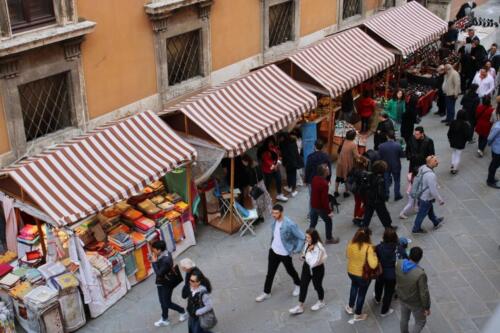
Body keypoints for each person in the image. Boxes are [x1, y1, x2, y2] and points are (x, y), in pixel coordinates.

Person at [256, 204, 304, 302]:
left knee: (290, 271)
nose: (274, 215)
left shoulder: (289, 224)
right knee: (270, 273)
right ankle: (266, 292)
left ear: (281, 213)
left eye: (276, 213)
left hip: (285, 253)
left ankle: (298, 284)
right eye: (273, 213)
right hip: (273, 251)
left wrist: (297, 250)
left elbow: (302, 237)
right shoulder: (274, 221)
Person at [289, 229, 327, 315]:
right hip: (306, 267)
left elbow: (315, 262)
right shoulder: (307, 243)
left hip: (317, 269)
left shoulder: (319, 247)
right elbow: (304, 253)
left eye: (308, 237)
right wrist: (303, 255)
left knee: (317, 286)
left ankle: (321, 301)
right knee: (303, 285)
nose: (306, 239)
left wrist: (308, 254)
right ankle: (300, 306)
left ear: (314, 237)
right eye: (306, 237)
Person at [345, 227, 379, 323]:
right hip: (363, 275)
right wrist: (375, 257)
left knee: (354, 287)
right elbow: (373, 264)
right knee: (361, 294)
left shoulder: (351, 244)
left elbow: (347, 255)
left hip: (351, 272)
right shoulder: (369, 248)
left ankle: (350, 307)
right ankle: (358, 314)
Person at [151, 240, 187, 327]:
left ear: (159, 250)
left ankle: (182, 311)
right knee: (162, 301)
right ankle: (164, 318)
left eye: (154, 250)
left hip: (167, 283)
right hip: (161, 283)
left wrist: (154, 262)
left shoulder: (166, 260)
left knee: (167, 302)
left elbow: (159, 273)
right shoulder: (163, 254)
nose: (153, 251)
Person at [396, 247, 431, 333]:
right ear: (420, 258)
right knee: (420, 322)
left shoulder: (399, 263)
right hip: (415, 303)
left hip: (402, 297)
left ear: (409, 254)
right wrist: (426, 307)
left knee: (404, 319)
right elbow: (424, 293)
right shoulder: (420, 274)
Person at [375, 228, 407, 316]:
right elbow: (405, 259)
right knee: (388, 293)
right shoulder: (399, 248)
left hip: (380, 272)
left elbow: (375, 258)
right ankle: (384, 311)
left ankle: (377, 299)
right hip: (392, 275)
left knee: (378, 285)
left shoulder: (379, 247)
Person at [412, 156, 445, 234]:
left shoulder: (423, 167)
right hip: (426, 197)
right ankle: (416, 229)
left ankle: (436, 221)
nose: (437, 162)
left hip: (422, 195)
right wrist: (440, 200)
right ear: (430, 163)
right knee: (421, 214)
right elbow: (433, 190)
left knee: (430, 210)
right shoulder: (430, 175)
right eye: (435, 161)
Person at [310, 164, 340, 244]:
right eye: (327, 170)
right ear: (324, 173)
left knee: (313, 223)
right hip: (320, 207)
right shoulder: (324, 184)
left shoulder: (314, 178)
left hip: (313, 205)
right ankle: (329, 238)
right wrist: (329, 211)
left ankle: (309, 237)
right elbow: (324, 200)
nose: (329, 170)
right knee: (328, 221)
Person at [362, 160, 395, 229]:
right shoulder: (381, 180)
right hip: (378, 201)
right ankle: (388, 228)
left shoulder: (369, 175)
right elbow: (381, 193)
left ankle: (363, 229)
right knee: (384, 214)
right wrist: (385, 198)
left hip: (369, 198)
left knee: (367, 215)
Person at [241, 154, 272, 223]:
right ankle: (262, 216)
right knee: (262, 201)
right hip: (261, 184)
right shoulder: (256, 164)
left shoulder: (249, 169)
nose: (243, 164)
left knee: (255, 203)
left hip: (255, 187)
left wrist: (249, 190)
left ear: (246, 161)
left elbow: (251, 181)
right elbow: (261, 175)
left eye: (243, 162)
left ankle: (257, 218)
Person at [378, 131, 404, 201]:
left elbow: (379, 156)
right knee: (397, 180)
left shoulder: (381, 146)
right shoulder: (398, 145)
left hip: (386, 166)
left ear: (387, 136)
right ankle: (397, 195)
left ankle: (386, 195)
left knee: (386, 180)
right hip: (396, 165)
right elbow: (402, 155)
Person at [260, 137, 288, 202]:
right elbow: (266, 160)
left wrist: (277, 164)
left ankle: (279, 194)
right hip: (267, 170)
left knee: (279, 180)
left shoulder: (274, 148)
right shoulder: (264, 151)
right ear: (266, 143)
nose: (271, 143)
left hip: (276, 167)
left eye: (272, 142)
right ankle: (266, 197)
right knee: (268, 183)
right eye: (269, 142)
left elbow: (277, 157)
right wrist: (274, 166)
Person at [335, 130, 359, 198]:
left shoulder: (343, 140)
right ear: (353, 137)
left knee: (338, 177)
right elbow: (356, 155)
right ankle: (346, 192)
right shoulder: (353, 144)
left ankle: (336, 191)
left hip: (340, 161)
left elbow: (339, 151)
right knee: (346, 177)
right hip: (347, 163)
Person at [447, 110, 471, 174]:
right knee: (458, 155)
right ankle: (454, 169)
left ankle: (452, 164)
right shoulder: (466, 125)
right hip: (461, 143)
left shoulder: (453, 122)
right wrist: (467, 140)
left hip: (453, 142)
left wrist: (450, 139)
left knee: (454, 153)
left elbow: (449, 133)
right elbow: (467, 135)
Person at [278, 132, 302, 197]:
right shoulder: (292, 142)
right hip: (293, 162)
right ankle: (292, 189)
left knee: (290, 175)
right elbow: (296, 152)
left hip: (288, 162)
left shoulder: (283, 144)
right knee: (292, 175)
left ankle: (291, 188)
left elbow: (283, 154)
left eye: (281, 138)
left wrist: (284, 161)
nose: (280, 139)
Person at [349, 156, 370, 226]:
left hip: (355, 190)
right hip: (362, 191)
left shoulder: (354, 169)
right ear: (364, 164)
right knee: (367, 204)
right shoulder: (364, 173)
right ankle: (358, 216)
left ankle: (355, 216)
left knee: (357, 203)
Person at [486, 103, 500, 188]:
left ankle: (491, 178)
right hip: (497, 149)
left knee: (495, 164)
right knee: (494, 165)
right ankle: (490, 180)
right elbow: (490, 138)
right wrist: (490, 144)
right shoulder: (498, 126)